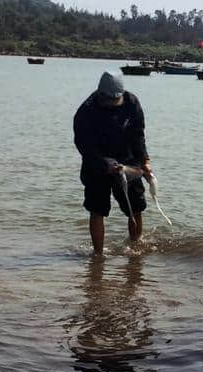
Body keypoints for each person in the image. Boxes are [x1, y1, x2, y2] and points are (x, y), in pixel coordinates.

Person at [73, 71, 152, 256]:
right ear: (100, 94)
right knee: (97, 209)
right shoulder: (85, 111)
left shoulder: (131, 103)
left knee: (136, 207)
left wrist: (145, 160)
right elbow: (83, 145)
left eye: (115, 100)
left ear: (120, 95)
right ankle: (98, 255)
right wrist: (103, 165)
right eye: (107, 100)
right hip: (97, 164)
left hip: (127, 161)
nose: (110, 104)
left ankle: (135, 247)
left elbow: (138, 135)